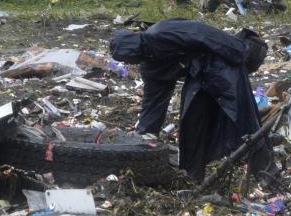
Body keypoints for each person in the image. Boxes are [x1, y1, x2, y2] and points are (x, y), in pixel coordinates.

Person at [109, 20, 275, 184]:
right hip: (199, 76)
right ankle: (193, 179)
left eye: (131, 56)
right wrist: (146, 132)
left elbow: (202, 33)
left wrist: (238, 50)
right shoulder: (150, 66)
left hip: (222, 63)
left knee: (242, 118)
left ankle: (268, 173)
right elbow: (154, 99)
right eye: (128, 60)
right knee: (191, 124)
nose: (131, 62)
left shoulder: (161, 33)